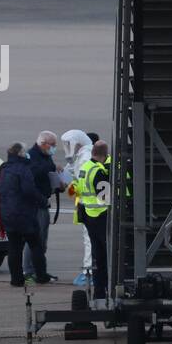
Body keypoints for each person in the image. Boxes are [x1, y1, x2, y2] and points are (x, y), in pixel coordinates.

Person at [0, 143, 49, 286]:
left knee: (14, 247)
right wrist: (43, 201)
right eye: (25, 152)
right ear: (20, 154)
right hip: (25, 214)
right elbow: (29, 190)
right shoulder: (24, 169)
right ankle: (41, 275)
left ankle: (16, 279)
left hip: (7, 214)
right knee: (35, 245)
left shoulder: (3, 168)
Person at [77, 140, 111, 306]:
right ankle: (107, 288)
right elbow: (105, 197)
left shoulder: (84, 168)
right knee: (108, 256)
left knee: (98, 257)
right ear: (104, 155)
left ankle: (99, 291)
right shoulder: (98, 171)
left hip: (88, 217)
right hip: (100, 215)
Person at [23, 130, 60, 282]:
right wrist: (52, 168)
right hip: (35, 204)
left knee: (42, 240)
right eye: (52, 145)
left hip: (44, 201)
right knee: (34, 239)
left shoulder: (45, 156)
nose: (54, 148)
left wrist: (58, 184)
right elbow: (34, 174)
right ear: (43, 144)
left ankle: (39, 270)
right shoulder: (31, 156)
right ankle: (30, 271)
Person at [60, 128, 95, 283]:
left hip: (90, 207)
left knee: (90, 239)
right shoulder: (81, 157)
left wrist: (70, 185)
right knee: (89, 239)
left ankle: (89, 271)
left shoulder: (85, 157)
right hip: (88, 206)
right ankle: (90, 270)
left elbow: (81, 182)